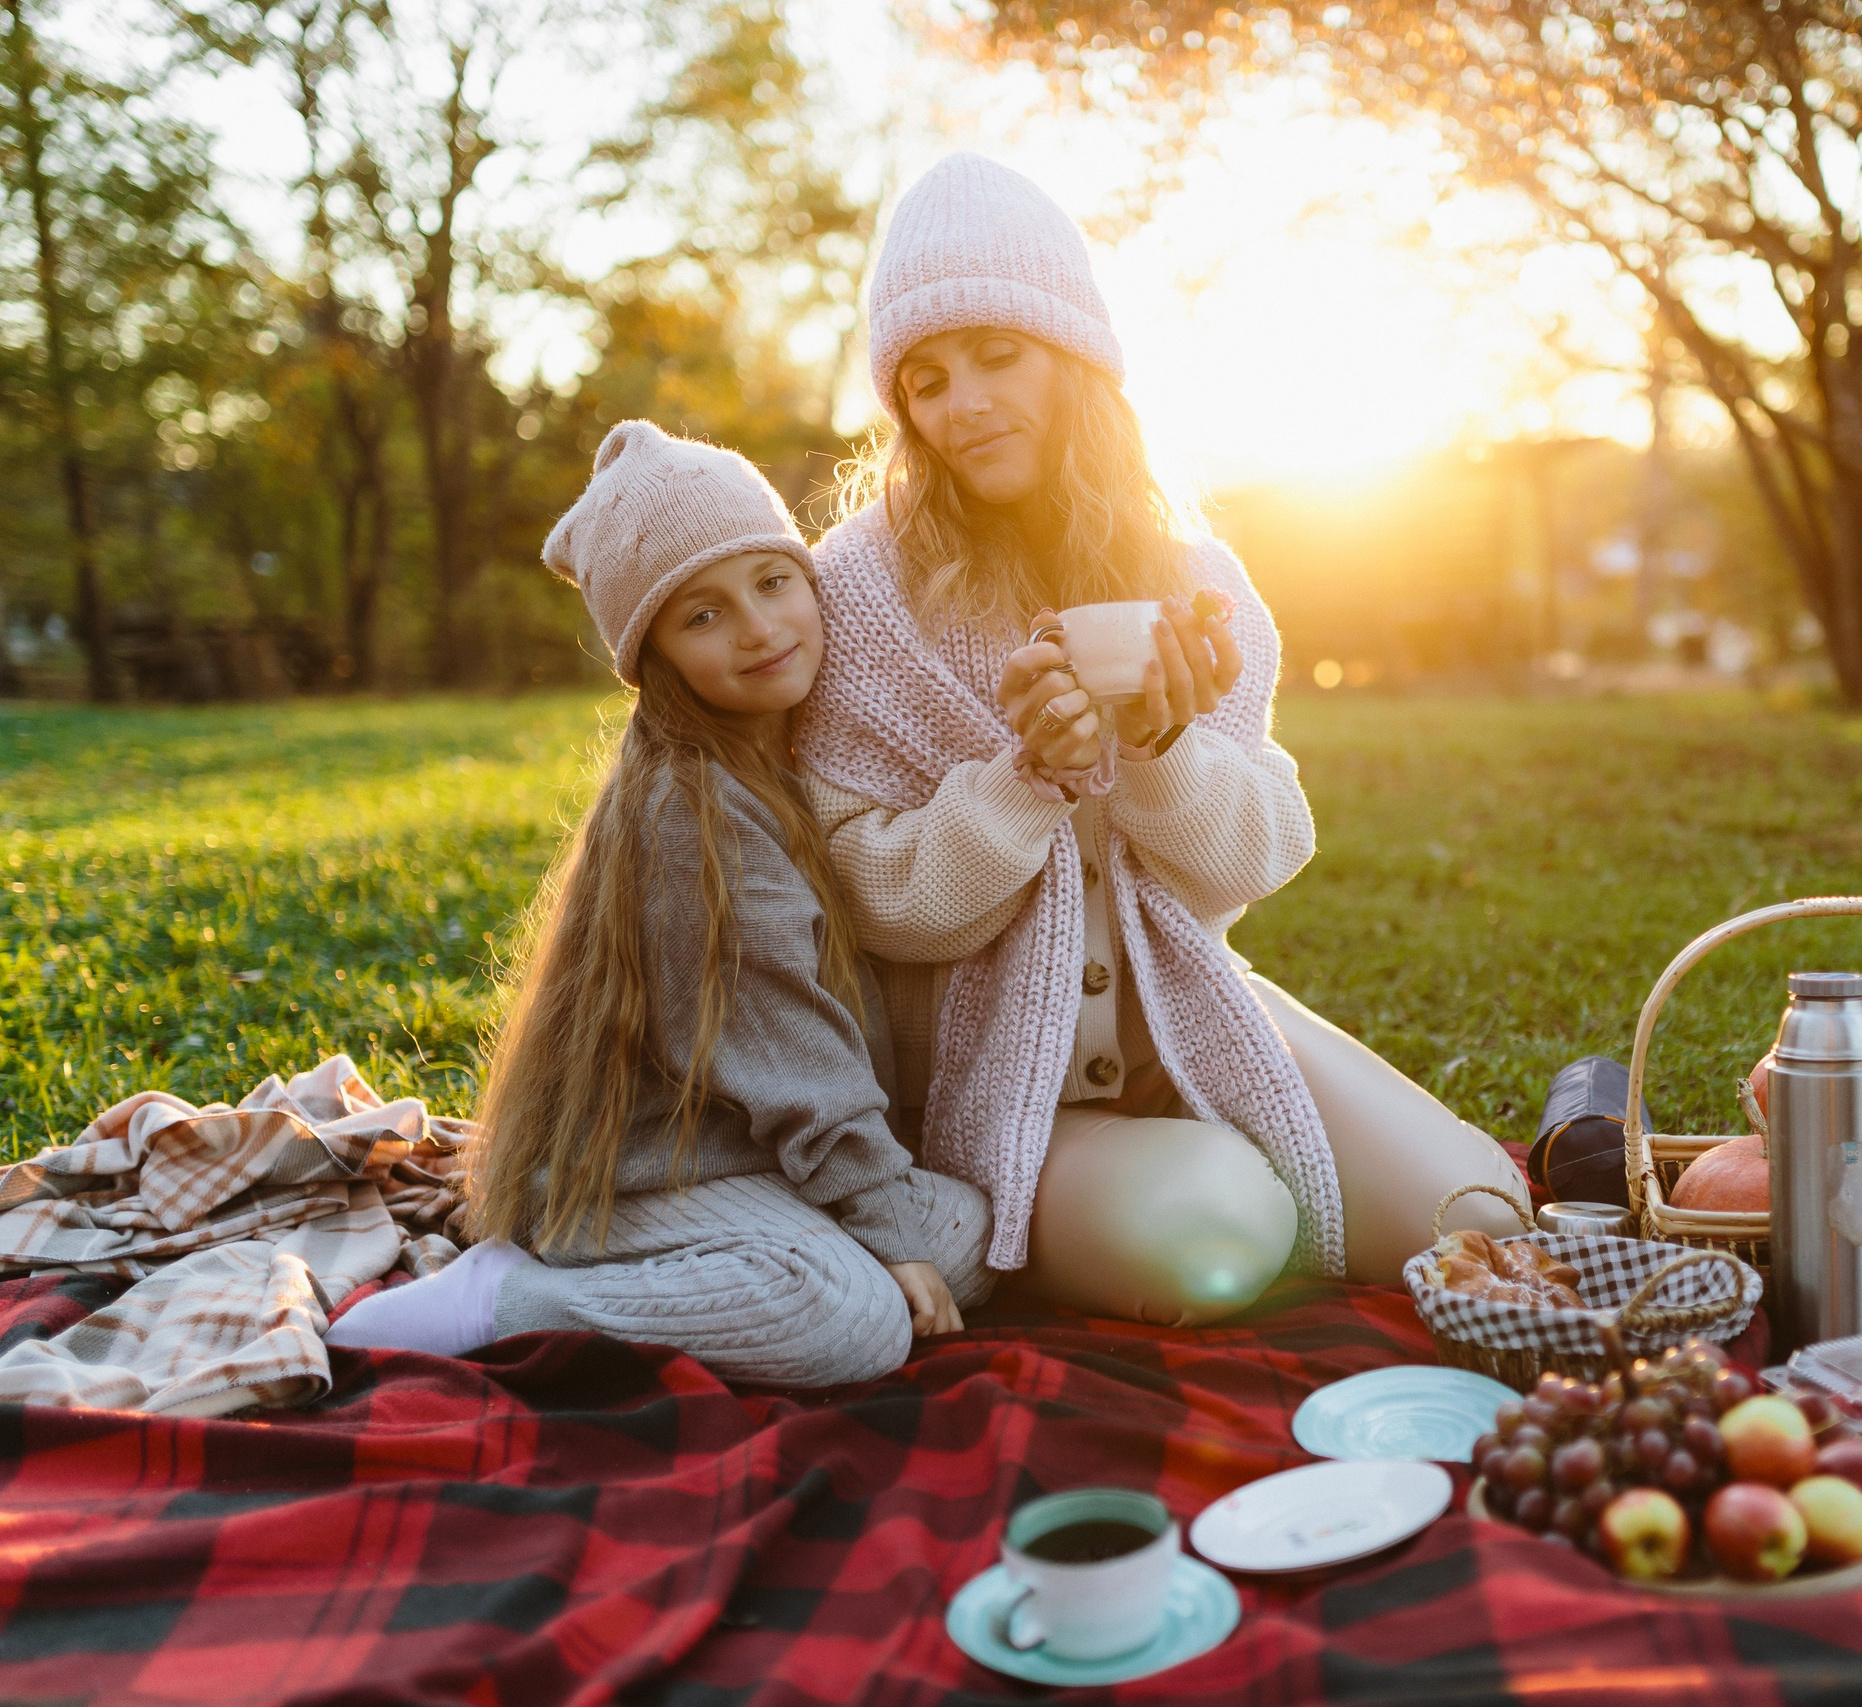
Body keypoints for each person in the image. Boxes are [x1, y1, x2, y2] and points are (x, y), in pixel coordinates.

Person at [796, 152, 1525, 1327]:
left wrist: (1164, 747)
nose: (962, 402)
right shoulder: (857, 595)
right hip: (996, 1085)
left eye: (997, 354)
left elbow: (1252, 861)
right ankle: (1091, 1196)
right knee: (1222, 1231)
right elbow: (876, 907)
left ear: (1074, 356)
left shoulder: (1193, 578)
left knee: (1480, 1218)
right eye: (926, 380)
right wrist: (1025, 780)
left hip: (1191, 1012)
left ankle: (1222, 1143)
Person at [328, 422, 992, 1385]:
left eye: (773, 581)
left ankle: (790, 1250)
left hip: (750, 1152)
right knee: (851, 1320)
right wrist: (879, 1221)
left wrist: (890, 1218)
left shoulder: (788, 753)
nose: (758, 627)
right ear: (656, 655)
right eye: (703, 615)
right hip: (639, 1172)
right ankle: (504, 1299)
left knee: (971, 1232)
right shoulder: (692, 807)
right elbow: (787, 1043)